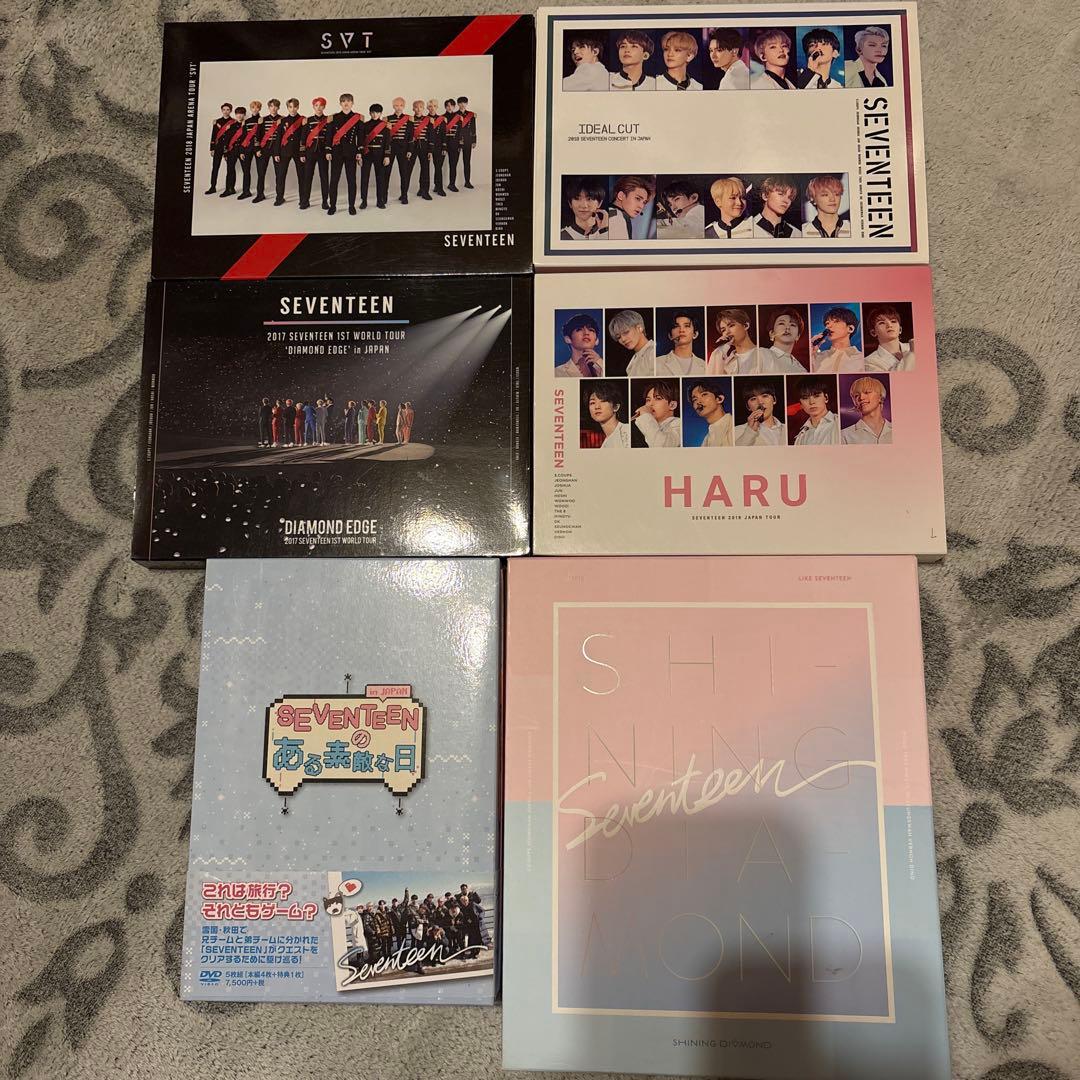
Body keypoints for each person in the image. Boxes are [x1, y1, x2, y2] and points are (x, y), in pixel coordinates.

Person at [326, 93, 363, 216]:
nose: (346, 103)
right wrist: (328, 150)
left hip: (351, 153)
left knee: (351, 180)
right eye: (343, 101)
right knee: (334, 180)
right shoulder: (333, 118)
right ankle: (332, 206)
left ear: (352, 103)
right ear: (340, 103)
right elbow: (329, 136)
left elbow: (361, 137)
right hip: (336, 152)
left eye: (348, 101)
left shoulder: (358, 118)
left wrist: (359, 152)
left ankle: (351, 206)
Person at [298, 97, 331, 210]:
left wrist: (328, 151)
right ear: (313, 107)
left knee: (324, 177)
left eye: (321, 105)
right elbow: (303, 138)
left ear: (324, 107)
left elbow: (329, 138)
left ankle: (325, 202)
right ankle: (305, 201)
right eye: (316, 105)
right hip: (310, 152)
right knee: (307, 177)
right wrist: (302, 153)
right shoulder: (308, 120)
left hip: (323, 153)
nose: (318, 108)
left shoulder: (328, 120)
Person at [272, 98, 306, 205]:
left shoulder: (303, 120)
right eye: (290, 107)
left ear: (298, 107)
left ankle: (303, 200)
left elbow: (304, 138)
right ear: (287, 108)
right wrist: (276, 153)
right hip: (284, 151)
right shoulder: (282, 121)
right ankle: (279, 198)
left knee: (302, 176)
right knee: (280, 176)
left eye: (295, 107)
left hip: (298, 152)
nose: (292, 109)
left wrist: (302, 153)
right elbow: (278, 138)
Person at [758, 306, 812, 373]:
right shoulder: (760, 354)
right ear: (772, 333)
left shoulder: (801, 369)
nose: (787, 327)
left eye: (792, 325)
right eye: (781, 323)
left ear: (797, 336)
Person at [811, 307, 865, 372]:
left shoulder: (862, 359)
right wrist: (811, 352)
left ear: (850, 329)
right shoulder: (816, 357)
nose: (828, 326)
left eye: (836, 321)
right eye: (827, 323)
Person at [707, 307, 760, 374]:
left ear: (746, 325)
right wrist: (719, 351)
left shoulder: (764, 354)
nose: (727, 332)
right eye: (723, 330)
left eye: (731, 326)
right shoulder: (725, 363)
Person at [359, 103, 391, 210]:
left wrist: (387, 156)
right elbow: (361, 141)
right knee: (364, 178)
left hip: (380, 155)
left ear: (381, 113)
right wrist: (360, 156)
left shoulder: (385, 126)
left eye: (377, 112)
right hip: (367, 154)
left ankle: (380, 201)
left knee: (380, 179)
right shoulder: (364, 125)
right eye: (373, 112)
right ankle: (364, 201)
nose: (375, 115)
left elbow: (387, 142)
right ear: (369, 113)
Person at [864, 305, 915, 371]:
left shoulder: (911, 347)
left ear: (900, 329)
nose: (889, 325)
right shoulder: (869, 362)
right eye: (882, 323)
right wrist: (912, 354)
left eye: (893, 321)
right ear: (873, 332)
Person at [842, 376, 893, 443]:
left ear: (880, 397)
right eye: (856, 395)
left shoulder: (897, 430)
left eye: (867, 392)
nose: (861, 398)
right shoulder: (844, 435)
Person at [791, 375, 840, 445]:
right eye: (805, 398)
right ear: (801, 404)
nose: (811, 402)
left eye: (816, 396)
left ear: (826, 398)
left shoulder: (839, 423)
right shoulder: (801, 437)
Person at [735, 381, 786, 446]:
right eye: (753, 399)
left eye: (765, 396)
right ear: (748, 407)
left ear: (774, 400)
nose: (760, 402)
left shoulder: (786, 429)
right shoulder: (737, 431)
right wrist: (750, 431)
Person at [655, 311, 705, 375]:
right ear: (670, 336)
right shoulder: (657, 363)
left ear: (695, 334)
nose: (681, 330)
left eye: (686, 326)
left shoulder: (705, 366)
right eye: (676, 326)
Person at [633, 380, 682, 446]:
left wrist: (645, 416)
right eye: (648, 400)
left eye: (658, 398)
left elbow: (661, 445)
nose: (650, 404)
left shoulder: (679, 424)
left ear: (672, 405)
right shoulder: (650, 424)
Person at [253, 98, 283, 204]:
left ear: (278, 107)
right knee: (261, 173)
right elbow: (257, 136)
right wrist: (257, 149)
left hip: (277, 150)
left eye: (275, 106)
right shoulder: (263, 120)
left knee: (279, 174)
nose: (273, 108)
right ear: (269, 107)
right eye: (271, 106)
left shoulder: (282, 119)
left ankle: (279, 197)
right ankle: (260, 194)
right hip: (264, 149)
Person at [608, 309, 654, 375]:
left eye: (626, 332)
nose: (623, 339)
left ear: (639, 328)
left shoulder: (653, 352)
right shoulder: (633, 360)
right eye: (618, 337)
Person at [607, 175, 654, 240]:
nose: (641, 206)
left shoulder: (613, 214)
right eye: (637, 198)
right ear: (621, 195)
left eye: (644, 202)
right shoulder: (617, 218)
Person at [205, 102, 238, 194]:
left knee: (231, 168)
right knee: (215, 167)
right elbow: (214, 135)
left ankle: (231, 188)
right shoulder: (217, 122)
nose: (226, 111)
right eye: (224, 110)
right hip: (218, 147)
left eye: (228, 110)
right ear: (221, 110)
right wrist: (212, 148)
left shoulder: (234, 122)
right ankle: (212, 187)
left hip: (228, 147)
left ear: (230, 111)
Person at [584, 383, 630, 448]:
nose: (597, 407)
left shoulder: (628, 431)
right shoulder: (604, 446)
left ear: (616, 407)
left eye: (603, 401)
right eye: (592, 403)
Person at [689, 380, 733, 446]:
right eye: (695, 399)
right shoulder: (706, 440)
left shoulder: (733, 426)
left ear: (719, 399)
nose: (698, 402)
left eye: (704, 395)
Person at [235, 101, 262, 200]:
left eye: (257, 107)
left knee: (260, 172)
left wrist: (259, 149)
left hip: (259, 149)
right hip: (247, 148)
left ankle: (260, 194)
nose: (255, 109)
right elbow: (243, 137)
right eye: (253, 107)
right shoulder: (246, 121)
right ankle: (246, 192)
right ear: (250, 109)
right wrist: (241, 151)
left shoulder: (262, 120)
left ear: (260, 109)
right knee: (246, 171)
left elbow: (263, 136)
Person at [220, 106, 246, 197]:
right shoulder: (231, 126)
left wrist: (243, 151)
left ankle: (246, 191)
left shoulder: (246, 126)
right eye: (237, 113)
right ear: (235, 114)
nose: (239, 115)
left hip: (243, 151)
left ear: (244, 115)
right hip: (232, 151)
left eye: (241, 113)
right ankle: (229, 189)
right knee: (230, 170)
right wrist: (225, 153)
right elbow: (226, 140)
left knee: (246, 171)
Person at [409, 100, 433, 200]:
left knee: (425, 169)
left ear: (423, 108)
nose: (418, 109)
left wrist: (430, 150)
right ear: (413, 108)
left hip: (424, 146)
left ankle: (424, 191)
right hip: (412, 146)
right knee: (408, 169)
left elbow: (431, 136)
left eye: (420, 107)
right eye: (416, 107)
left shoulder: (429, 120)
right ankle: (404, 193)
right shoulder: (410, 120)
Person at [424, 100, 447, 197]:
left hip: (438, 146)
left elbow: (444, 134)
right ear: (427, 108)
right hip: (427, 147)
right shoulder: (424, 119)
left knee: (438, 167)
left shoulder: (442, 119)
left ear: (437, 107)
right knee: (425, 169)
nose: (432, 108)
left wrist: (444, 147)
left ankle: (439, 187)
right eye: (430, 106)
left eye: (434, 106)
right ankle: (422, 189)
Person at [456, 96, 477, 189]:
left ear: (467, 103)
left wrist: (474, 140)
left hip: (468, 140)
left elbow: (473, 128)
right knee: (454, 162)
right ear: (458, 104)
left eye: (464, 102)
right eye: (460, 103)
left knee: (467, 162)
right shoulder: (454, 115)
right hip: (457, 140)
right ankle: (452, 183)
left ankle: (467, 182)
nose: (462, 104)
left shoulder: (471, 115)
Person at [443, 99, 462, 191]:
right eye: (447, 105)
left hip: (454, 144)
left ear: (454, 106)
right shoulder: (441, 118)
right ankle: (437, 185)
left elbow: (460, 132)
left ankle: (452, 184)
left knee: (453, 165)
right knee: (439, 166)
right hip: (443, 143)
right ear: (445, 107)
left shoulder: (458, 118)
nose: (449, 107)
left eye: (451, 105)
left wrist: (460, 145)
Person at [458, 893, 483, 959]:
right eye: (463, 901)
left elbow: (482, 910)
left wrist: (480, 917)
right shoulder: (462, 908)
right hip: (469, 926)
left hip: (476, 925)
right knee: (471, 940)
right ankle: (472, 952)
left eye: (466, 900)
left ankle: (476, 953)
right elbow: (462, 917)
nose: (465, 902)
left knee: (477, 939)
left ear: (468, 900)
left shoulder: (473, 904)